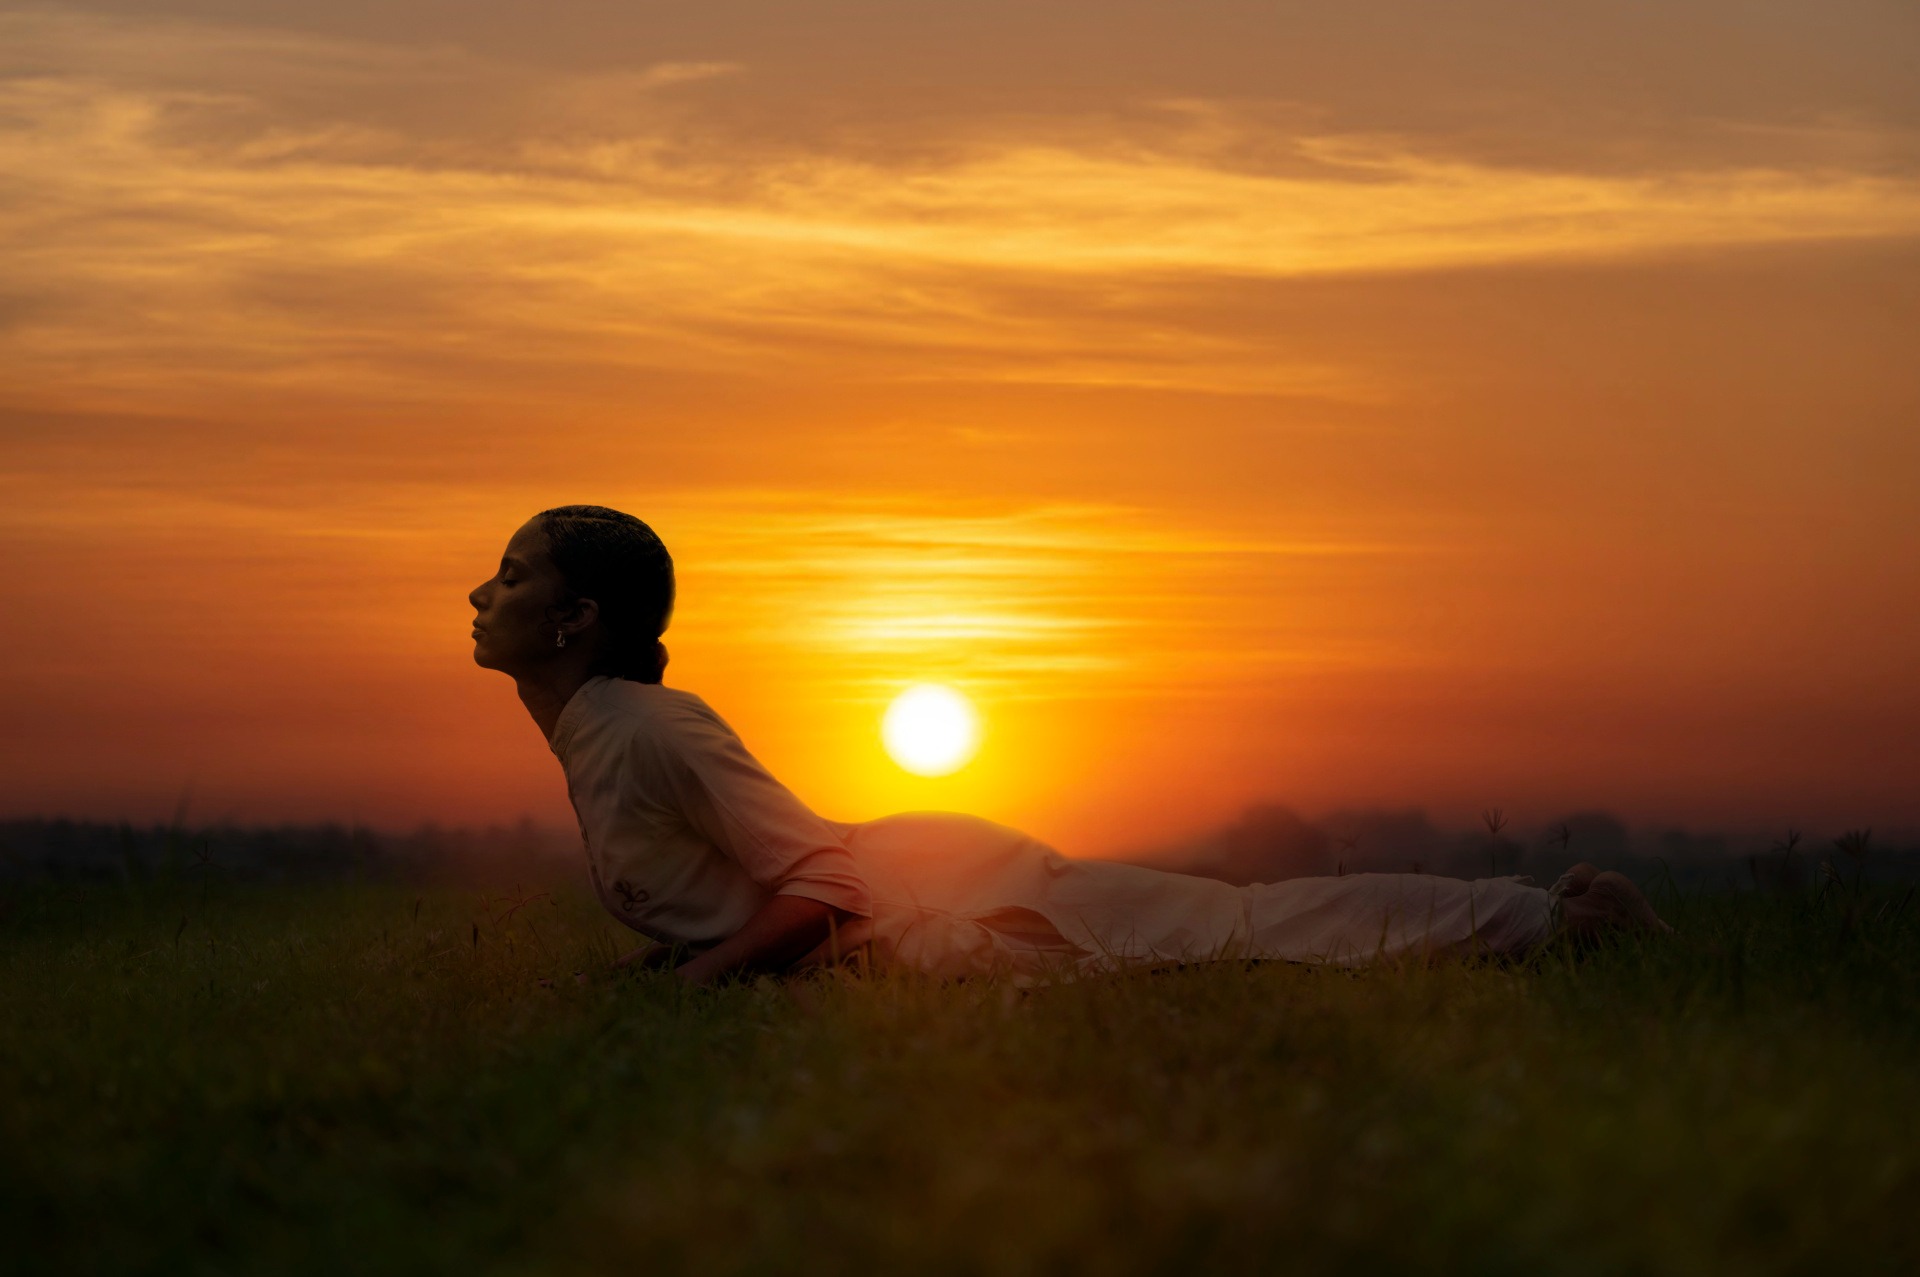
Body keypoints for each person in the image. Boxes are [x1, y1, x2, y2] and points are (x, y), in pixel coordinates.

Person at [469, 505, 1670, 986]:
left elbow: (826, 886)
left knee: (1228, 934)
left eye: (512, 576)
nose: (481, 591)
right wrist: (688, 960)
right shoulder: (598, 732)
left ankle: (1554, 920)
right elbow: (732, 894)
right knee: (1218, 930)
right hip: (920, 887)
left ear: (577, 621)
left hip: (946, 900)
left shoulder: (652, 727)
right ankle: (1533, 918)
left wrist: (701, 981)